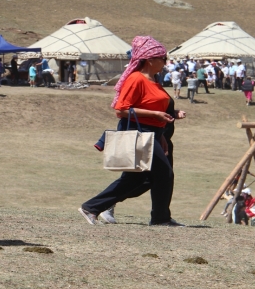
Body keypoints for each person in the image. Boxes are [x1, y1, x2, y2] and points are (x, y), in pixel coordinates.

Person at [78, 36, 186, 227]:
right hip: (140, 132)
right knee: (162, 174)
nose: (165, 62)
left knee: (141, 178)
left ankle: (93, 207)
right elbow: (121, 109)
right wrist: (155, 114)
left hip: (155, 133)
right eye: (163, 58)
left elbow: (154, 104)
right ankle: (160, 218)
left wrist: (169, 115)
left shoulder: (154, 80)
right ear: (150, 60)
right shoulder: (136, 79)